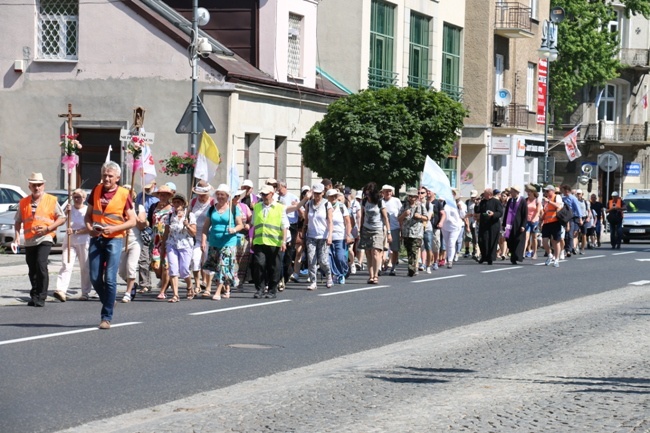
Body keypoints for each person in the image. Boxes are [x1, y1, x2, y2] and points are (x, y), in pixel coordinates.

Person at [85, 161, 136, 329]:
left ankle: (106, 317)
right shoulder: (96, 190)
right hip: (96, 237)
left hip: (114, 238)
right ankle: (109, 299)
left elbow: (132, 221)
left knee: (110, 278)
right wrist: (90, 228)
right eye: (104, 175)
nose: (106, 178)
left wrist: (114, 228)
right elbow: (88, 216)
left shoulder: (123, 194)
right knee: (94, 276)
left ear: (117, 178)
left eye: (110, 176)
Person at [15, 172, 66, 307]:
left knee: (41, 264)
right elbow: (18, 221)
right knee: (32, 268)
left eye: (39, 185)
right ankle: (35, 294)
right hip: (29, 239)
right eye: (34, 185)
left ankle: (41, 296)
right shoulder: (23, 202)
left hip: (46, 237)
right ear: (29, 186)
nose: (37, 188)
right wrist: (16, 238)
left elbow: (62, 217)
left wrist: (49, 229)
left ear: (43, 185)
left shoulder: (51, 200)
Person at [201, 185, 243, 300]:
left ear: (227, 196)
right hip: (214, 241)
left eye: (222, 195)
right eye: (218, 194)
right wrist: (204, 240)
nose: (220, 197)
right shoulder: (211, 209)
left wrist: (234, 229)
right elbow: (206, 227)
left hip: (228, 242)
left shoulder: (233, 209)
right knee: (216, 267)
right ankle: (227, 287)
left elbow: (241, 225)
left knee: (223, 265)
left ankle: (217, 292)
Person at [251, 184, 288, 298]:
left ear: (272, 194)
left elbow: (284, 226)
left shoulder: (279, 207)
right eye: (262, 194)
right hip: (259, 241)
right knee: (259, 264)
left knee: (274, 267)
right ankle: (260, 289)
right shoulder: (257, 207)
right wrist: (252, 240)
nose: (264, 196)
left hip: (274, 242)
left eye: (266, 194)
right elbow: (254, 224)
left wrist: (284, 241)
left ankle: (272, 290)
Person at [55, 188, 92, 301]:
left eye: (79, 197)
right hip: (70, 241)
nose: (76, 199)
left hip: (83, 241)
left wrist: (76, 231)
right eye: (74, 197)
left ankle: (85, 292)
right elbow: (60, 219)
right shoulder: (69, 209)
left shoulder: (87, 210)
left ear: (84, 198)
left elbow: (90, 228)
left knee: (85, 267)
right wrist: (66, 212)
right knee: (66, 264)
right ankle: (61, 290)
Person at [118, 187, 147, 303]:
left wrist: (133, 216)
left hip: (135, 241)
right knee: (121, 271)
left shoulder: (138, 208)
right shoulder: (118, 208)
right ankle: (132, 283)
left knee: (131, 267)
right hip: (121, 241)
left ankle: (128, 293)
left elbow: (141, 226)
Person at [359, 182, 391, 284]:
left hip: (377, 229)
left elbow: (385, 218)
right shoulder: (364, 202)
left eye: (369, 194)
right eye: (365, 194)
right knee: (368, 253)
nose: (367, 196)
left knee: (376, 252)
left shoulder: (380, 202)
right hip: (366, 229)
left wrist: (389, 232)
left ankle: (376, 275)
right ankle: (371, 275)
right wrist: (360, 229)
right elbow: (362, 216)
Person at [303, 183, 334, 290]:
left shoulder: (327, 204)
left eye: (319, 194)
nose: (316, 196)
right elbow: (306, 220)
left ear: (323, 193)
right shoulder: (309, 204)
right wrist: (303, 232)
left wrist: (330, 235)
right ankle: (313, 281)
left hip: (323, 236)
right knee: (311, 259)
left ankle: (329, 276)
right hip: (311, 235)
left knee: (323, 260)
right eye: (315, 193)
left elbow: (330, 221)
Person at [189, 181, 214, 294]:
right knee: (195, 260)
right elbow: (188, 215)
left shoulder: (213, 203)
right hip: (195, 236)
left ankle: (208, 286)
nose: (201, 196)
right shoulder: (193, 202)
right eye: (199, 194)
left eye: (203, 194)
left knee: (208, 261)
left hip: (209, 236)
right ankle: (197, 284)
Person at [149, 185, 174, 298]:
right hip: (155, 240)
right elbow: (150, 221)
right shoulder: (153, 206)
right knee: (156, 265)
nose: (163, 196)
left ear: (169, 196)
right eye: (161, 194)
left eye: (165, 194)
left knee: (165, 266)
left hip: (168, 239)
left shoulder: (172, 208)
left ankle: (162, 291)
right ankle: (165, 281)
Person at [398, 188, 427, 276]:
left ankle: (412, 268)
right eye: (409, 196)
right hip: (406, 232)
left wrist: (420, 216)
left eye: (412, 196)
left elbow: (426, 218)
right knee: (409, 251)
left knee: (414, 250)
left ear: (416, 197)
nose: (411, 198)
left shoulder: (420, 205)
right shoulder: (404, 206)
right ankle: (412, 267)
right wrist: (404, 214)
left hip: (417, 233)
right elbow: (398, 218)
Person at [135, 181, 158, 295]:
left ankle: (162, 279)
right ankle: (144, 283)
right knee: (143, 258)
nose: (147, 190)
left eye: (149, 187)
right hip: (142, 228)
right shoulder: (140, 195)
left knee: (153, 258)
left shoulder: (157, 198)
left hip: (153, 230)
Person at [277, 180, 300, 288]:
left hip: (291, 226)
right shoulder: (276, 198)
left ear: (285, 187)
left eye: (280, 188)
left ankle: (286, 274)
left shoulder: (293, 197)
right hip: (280, 226)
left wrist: (298, 206)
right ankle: (279, 277)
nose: (278, 190)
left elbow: (302, 214)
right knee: (279, 252)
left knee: (289, 253)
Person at [327, 188, 352, 284]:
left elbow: (348, 222)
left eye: (335, 196)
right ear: (327, 197)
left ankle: (343, 271)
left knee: (340, 257)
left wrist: (348, 235)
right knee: (329, 259)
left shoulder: (341, 207)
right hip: (327, 237)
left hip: (340, 236)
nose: (333, 198)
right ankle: (335, 275)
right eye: (331, 196)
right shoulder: (325, 207)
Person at [475, 188, 503, 265]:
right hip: (483, 224)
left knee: (491, 241)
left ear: (490, 194)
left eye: (485, 193)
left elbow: (500, 212)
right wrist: (477, 204)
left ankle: (490, 258)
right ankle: (483, 256)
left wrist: (493, 214)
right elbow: (477, 211)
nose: (483, 195)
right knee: (482, 240)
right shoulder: (483, 202)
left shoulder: (496, 202)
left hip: (493, 225)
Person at [540, 184, 564, 268]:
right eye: (545, 191)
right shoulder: (545, 200)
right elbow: (545, 210)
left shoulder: (556, 197)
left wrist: (549, 201)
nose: (546, 192)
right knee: (544, 241)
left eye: (547, 191)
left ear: (552, 191)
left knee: (555, 241)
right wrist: (541, 219)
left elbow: (559, 206)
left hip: (555, 222)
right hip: (546, 222)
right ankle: (550, 255)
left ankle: (556, 259)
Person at [502, 185, 528, 264]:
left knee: (518, 240)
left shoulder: (522, 201)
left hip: (519, 224)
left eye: (512, 191)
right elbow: (506, 212)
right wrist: (504, 223)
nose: (511, 193)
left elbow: (525, 214)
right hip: (510, 225)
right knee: (510, 240)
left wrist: (523, 225)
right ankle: (512, 255)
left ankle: (516, 256)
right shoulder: (510, 200)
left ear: (516, 192)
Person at [381, 185, 402, 275]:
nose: (388, 193)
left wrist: (401, 228)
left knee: (394, 249)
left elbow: (401, 214)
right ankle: (381, 265)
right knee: (381, 248)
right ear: (383, 192)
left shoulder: (396, 201)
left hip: (394, 227)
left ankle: (393, 266)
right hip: (382, 228)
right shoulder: (380, 201)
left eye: (390, 191)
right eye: (386, 191)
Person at [441, 192, 464, 269]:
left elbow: (463, 215)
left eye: (453, 194)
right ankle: (448, 257)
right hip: (445, 226)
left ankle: (450, 260)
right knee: (447, 243)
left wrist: (460, 209)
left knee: (451, 242)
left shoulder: (458, 204)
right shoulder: (444, 203)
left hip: (455, 226)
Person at [524, 184, 542, 259]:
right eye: (528, 191)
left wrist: (534, 218)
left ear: (533, 192)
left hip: (534, 221)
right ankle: (523, 252)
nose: (528, 193)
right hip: (527, 220)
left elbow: (538, 211)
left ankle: (534, 252)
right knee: (526, 236)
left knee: (534, 237)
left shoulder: (537, 200)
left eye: (530, 191)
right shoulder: (526, 200)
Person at [575, 189, 591, 254]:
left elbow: (589, 211)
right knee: (576, 233)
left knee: (584, 234)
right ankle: (576, 247)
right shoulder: (575, 201)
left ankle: (582, 248)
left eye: (579, 194)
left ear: (582, 194)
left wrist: (588, 217)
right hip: (576, 218)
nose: (578, 195)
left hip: (584, 218)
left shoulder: (586, 202)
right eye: (577, 194)